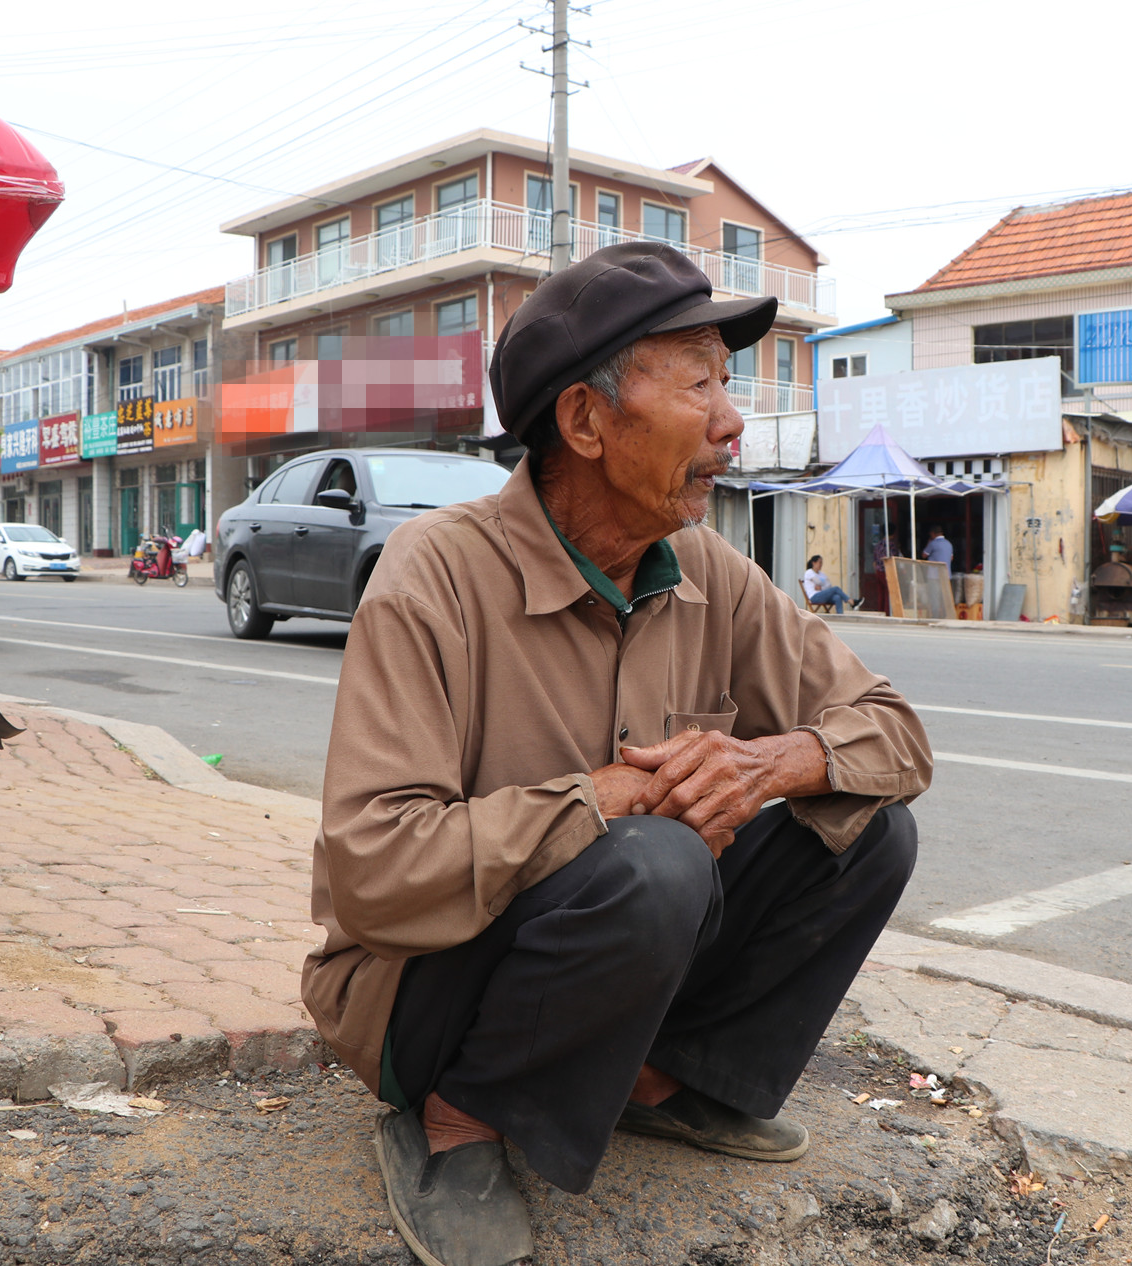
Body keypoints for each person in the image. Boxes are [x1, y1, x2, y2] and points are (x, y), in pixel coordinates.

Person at [303, 242, 932, 1266]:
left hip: (624, 954)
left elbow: (893, 732)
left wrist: (766, 767)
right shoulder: (436, 574)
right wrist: (604, 799)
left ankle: (661, 1078)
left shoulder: (705, 571)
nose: (731, 420)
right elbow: (375, 876)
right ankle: (457, 1122)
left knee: (865, 829)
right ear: (587, 421)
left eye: (725, 384)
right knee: (655, 855)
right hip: (418, 992)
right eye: (696, 383)